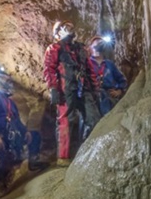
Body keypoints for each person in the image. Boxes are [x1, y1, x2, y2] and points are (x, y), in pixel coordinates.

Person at [43, 20, 101, 166]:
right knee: (65, 122)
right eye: (63, 27)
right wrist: (53, 88)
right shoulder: (54, 49)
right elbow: (49, 69)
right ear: (57, 33)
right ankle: (63, 157)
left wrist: (95, 88)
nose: (68, 28)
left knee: (93, 119)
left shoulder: (79, 49)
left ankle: (90, 151)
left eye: (68, 26)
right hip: (65, 89)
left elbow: (89, 70)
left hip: (83, 87)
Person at [87, 36, 127, 116]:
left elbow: (122, 80)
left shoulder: (109, 64)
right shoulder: (86, 64)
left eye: (100, 45)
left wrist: (120, 90)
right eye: (95, 46)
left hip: (109, 97)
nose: (97, 48)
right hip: (93, 99)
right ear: (90, 48)